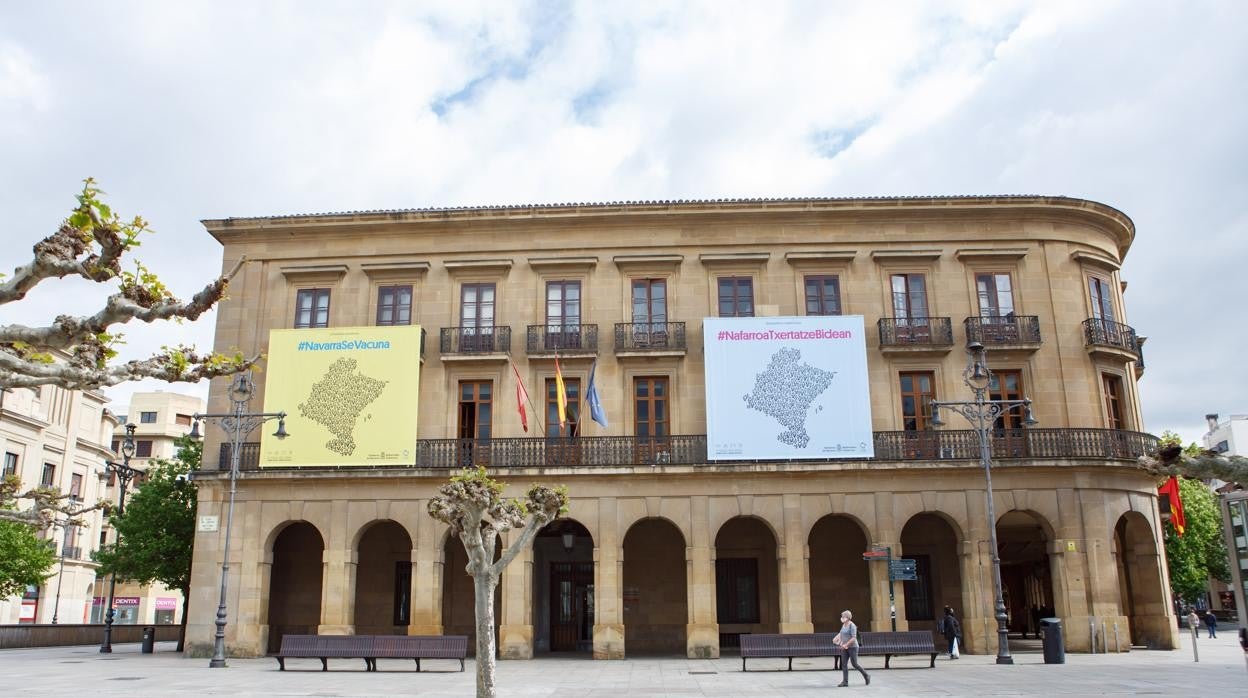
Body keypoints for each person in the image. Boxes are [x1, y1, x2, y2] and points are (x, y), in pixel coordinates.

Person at [833, 609, 870, 687]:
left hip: (853, 647)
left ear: (847, 617)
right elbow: (841, 633)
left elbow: (853, 638)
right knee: (844, 664)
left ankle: (866, 675)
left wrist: (846, 645)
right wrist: (836, 639)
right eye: (842, 616)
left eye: (843, 616)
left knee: (854, 664)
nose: (842, 618)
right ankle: (845, 682)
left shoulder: (852, 625)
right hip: (844, 647)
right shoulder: (844, 625)